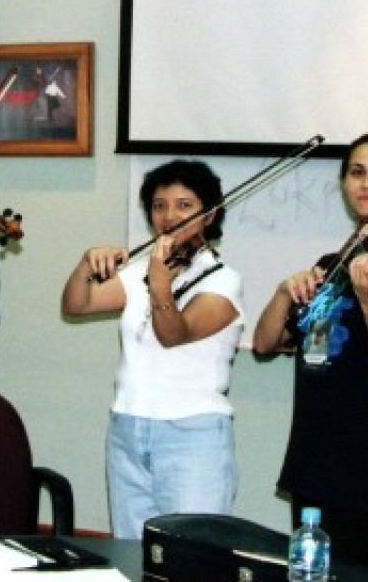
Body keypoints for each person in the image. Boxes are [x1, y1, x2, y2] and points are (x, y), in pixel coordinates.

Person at [252, 131, 368, 568]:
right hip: (312, 460)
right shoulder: (332, 263)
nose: (367, 184)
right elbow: (264, 343)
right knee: (308, 575)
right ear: (344, 183)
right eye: (357, 173)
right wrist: (282, 293)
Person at [60, 159, 244, 539]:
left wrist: (159, 287)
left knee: (192, 556)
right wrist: (84, 265)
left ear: (209, 216)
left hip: (193, 435)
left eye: (184, 205)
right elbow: (76, 305)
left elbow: (173, 334)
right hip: (128, 427)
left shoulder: (225, 281)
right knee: (132, 550)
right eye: (159, 205)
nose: (169, 215)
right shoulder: (140, 270)